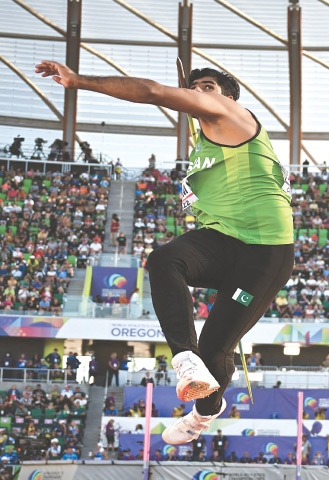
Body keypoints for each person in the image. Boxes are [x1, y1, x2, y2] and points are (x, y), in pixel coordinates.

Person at [36, 60, 295, 445]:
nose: (201, 91)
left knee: (216, 350)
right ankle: (184, 359)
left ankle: (205, 412)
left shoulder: (232, 113)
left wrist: (79, 81)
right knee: (164, 259)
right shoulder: (203, 133)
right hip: (221, 238)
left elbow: (155, 92)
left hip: (264, 252)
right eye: (196, 87)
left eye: (209, 86)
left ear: (228, 95)